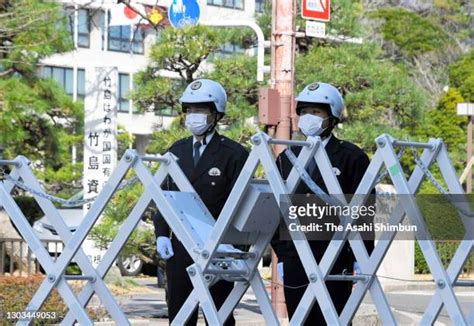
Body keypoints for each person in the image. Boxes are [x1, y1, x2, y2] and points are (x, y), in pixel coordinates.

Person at [271, 82, 374, 324]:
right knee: (300, 319)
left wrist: (361, 255)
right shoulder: (288, 157)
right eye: (305, 112)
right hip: (296, 255)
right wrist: (282, 254)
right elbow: (277, 211)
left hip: (337, 255)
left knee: (334, 319)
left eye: (316, 113)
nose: (309, 118)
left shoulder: (352, 157)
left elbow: (365, 210)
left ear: (332, 117)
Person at [153, 79, 248, 325]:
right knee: (180, 314)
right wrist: (161, 233)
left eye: (201, 110)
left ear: (216, 114)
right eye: (190, 110)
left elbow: (243, 206)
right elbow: (164, 197)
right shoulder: (177, 151)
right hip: (182, 248)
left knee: (219, 316)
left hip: (219, 248)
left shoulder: (234, 154)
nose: (194, 115)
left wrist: (239, 250)